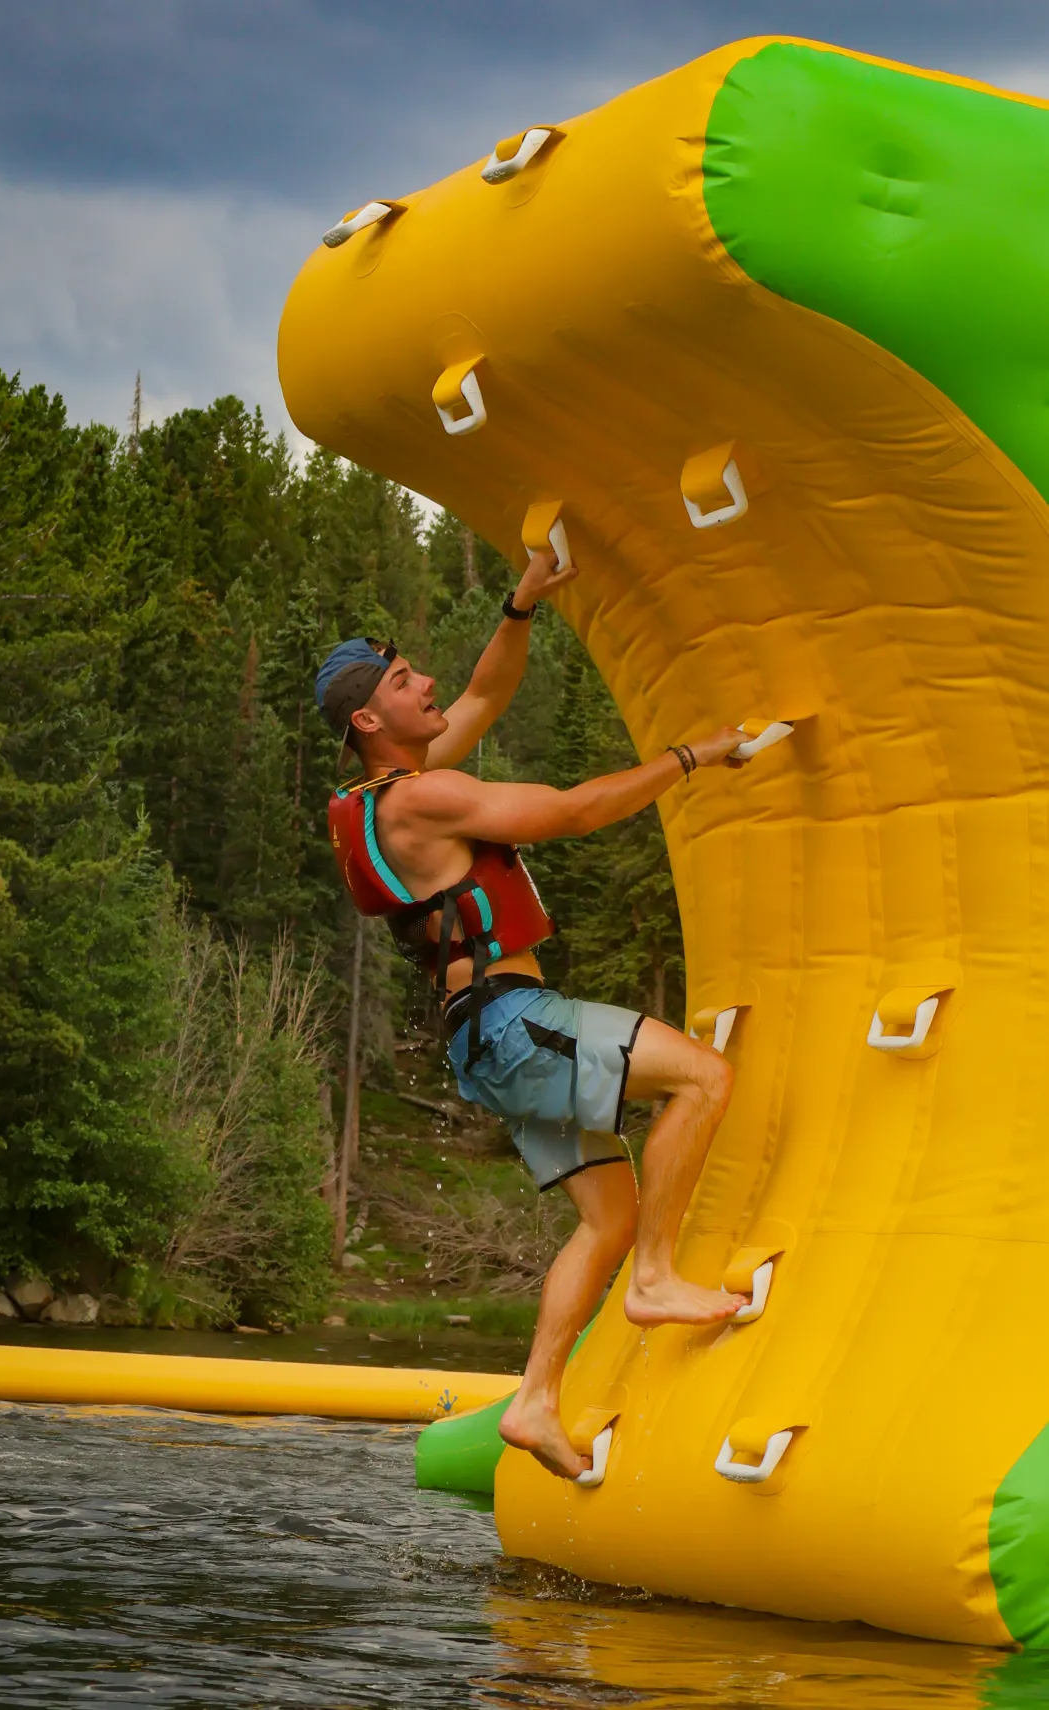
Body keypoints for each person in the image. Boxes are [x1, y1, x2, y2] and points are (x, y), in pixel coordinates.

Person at [317, 548, 751, 1481]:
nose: (427, 683)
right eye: (403, 680)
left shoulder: (376, 799)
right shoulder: (428, 798)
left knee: (605, 1218)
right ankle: (658, 1280)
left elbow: (482, 695)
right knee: (706, 1078)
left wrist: (520, 606)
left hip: (486, 1038)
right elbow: (572, 811)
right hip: (516, 1019)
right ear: (368, 716)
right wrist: (688, 757)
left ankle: (537, 1402)